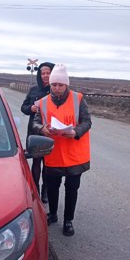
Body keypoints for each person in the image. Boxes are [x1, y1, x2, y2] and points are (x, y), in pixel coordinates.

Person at [32, 63, 92, 237]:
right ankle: (53, 214)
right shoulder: (42, 102)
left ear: (67, 85)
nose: (57, 88)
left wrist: (75, 132)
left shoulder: (78, 99)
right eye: (54, 85)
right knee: (52, 188)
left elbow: (87, 122)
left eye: (60, 85)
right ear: (50, 85)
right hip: (53, 154)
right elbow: (35, 122)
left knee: (72, 189)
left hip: (75, 156)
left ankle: (68, 220)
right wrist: (42, 128)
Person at [21, 61, 55, 203]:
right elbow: (24, 107)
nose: (45, 76)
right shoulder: (34, 90)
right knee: (36, 162)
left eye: (48, 73)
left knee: (48, 165)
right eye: (43, 73)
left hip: (50, 131)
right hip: (34, 130)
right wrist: (31, 109)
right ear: (39, 75)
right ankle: (35, 190)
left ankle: (45, 192)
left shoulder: (56, 90)